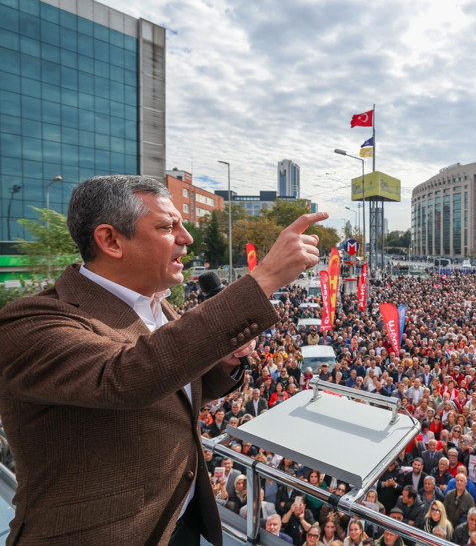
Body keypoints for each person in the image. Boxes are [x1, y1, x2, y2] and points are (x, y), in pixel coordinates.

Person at [0, 176, 326, 544]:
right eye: (169, 227)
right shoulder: (29, 322)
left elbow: (174, 389)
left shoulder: (157, 306)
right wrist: (262, 279)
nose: (187, 239)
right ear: (110, 240)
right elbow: (125, 377)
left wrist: (225, 360)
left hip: (179, 521)